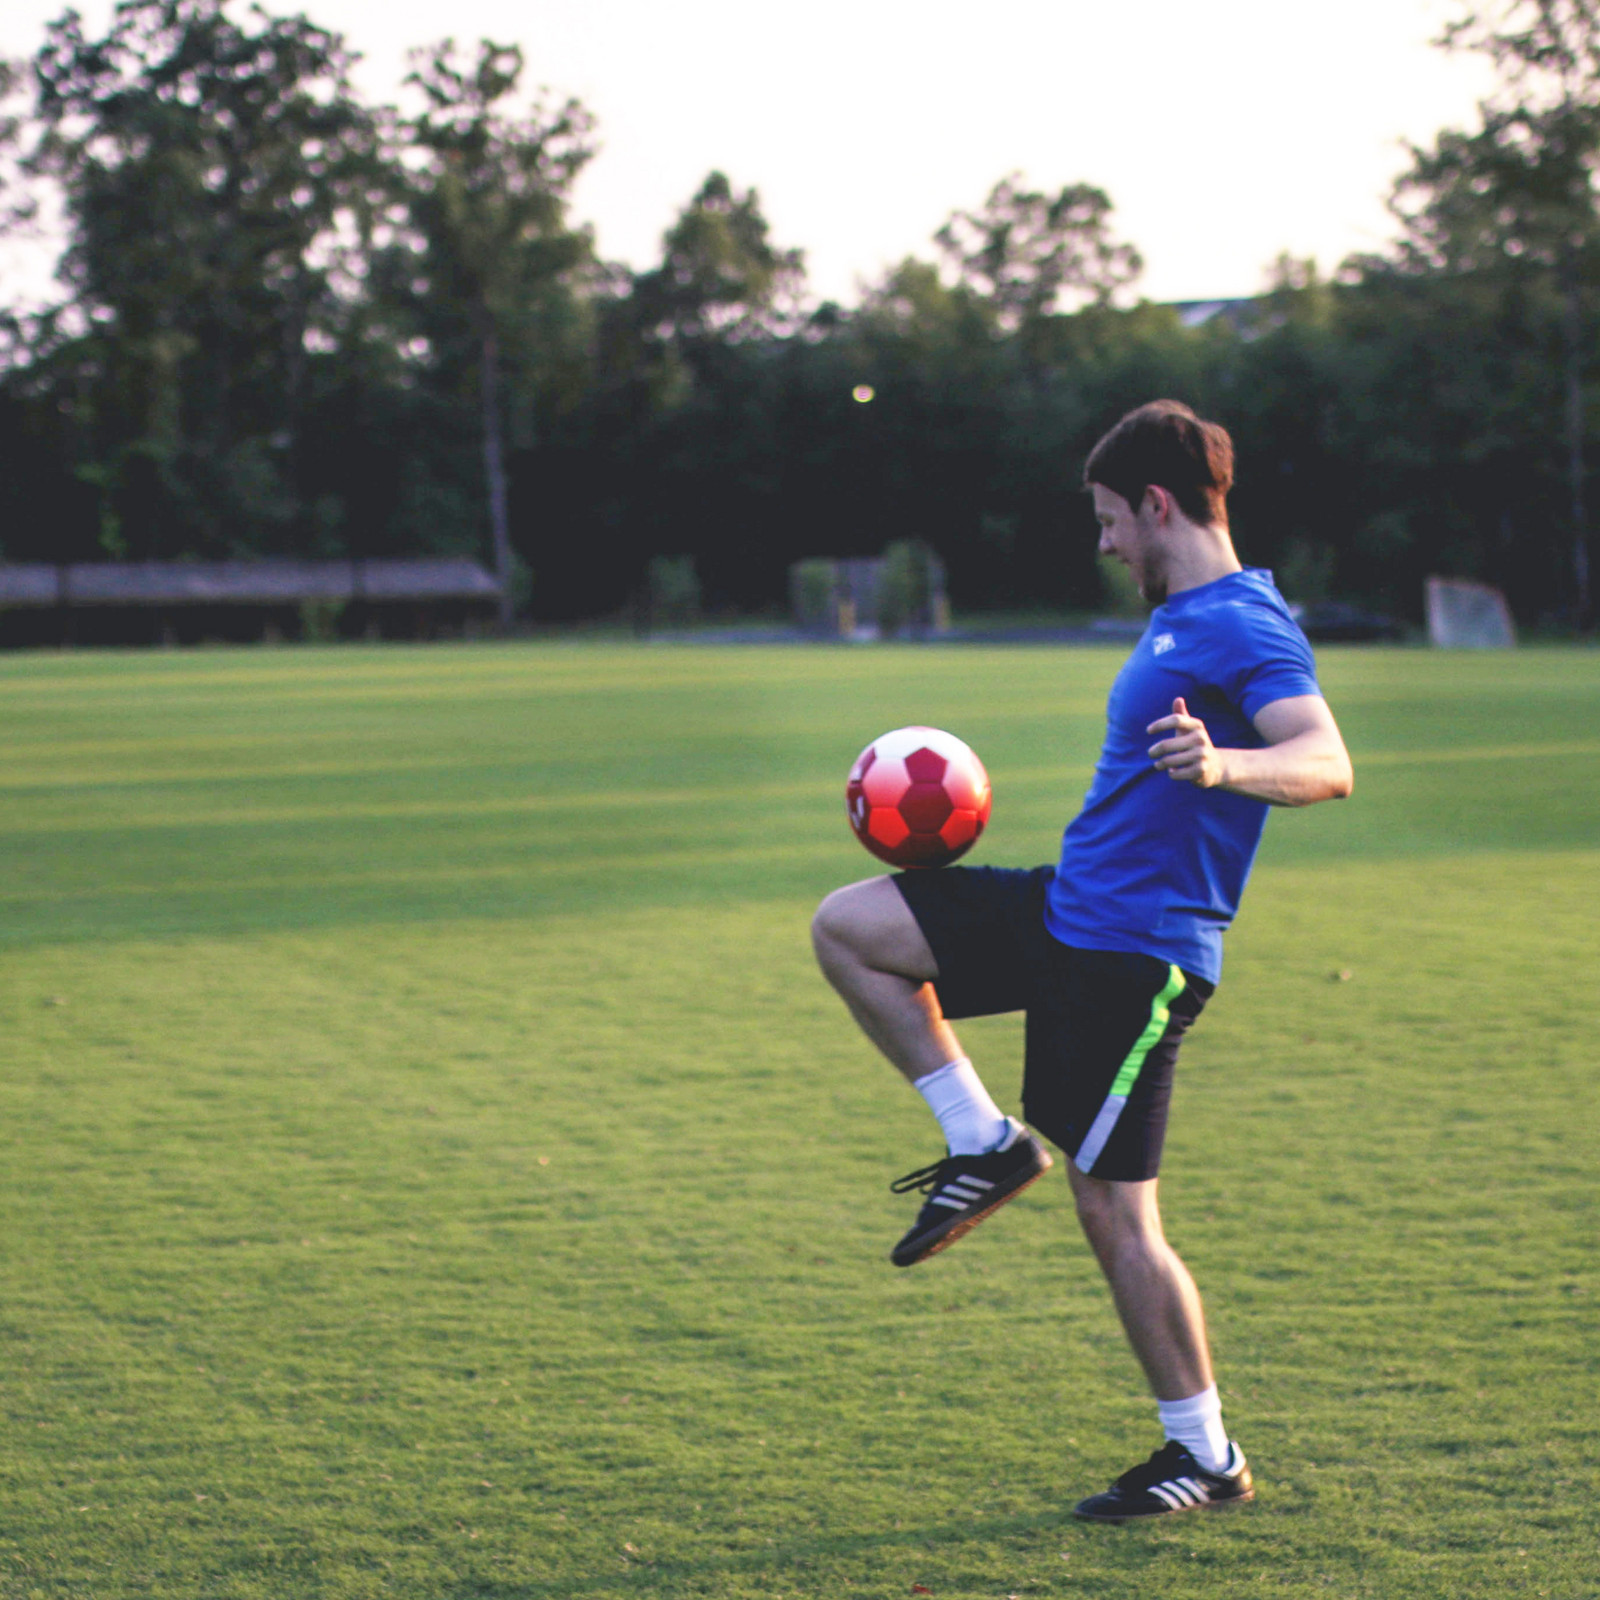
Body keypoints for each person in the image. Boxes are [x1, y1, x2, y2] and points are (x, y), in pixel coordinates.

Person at [811, 399, 1353, 1522]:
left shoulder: (1245, 626)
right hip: (1067, 909)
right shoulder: (1178, 617)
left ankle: (1204, 1455)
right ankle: (983, 1141)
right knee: (851, 929)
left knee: (1117, 1216)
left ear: (1158, 505)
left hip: (1134, 959)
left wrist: (1224, 766)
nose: (1104, 542)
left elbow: (1324, 759)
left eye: (1110, 518)